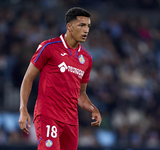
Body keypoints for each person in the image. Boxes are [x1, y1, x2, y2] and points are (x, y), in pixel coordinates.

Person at [18, 7, 102, 150]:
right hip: (47, 115)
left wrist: (93, 109)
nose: (86, 30)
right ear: (69, 26)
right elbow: (28, 79)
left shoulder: (87, 59)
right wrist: (23, 109)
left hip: (71, 121)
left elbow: (81, 94)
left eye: (88, 26)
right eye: (81, 25)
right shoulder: (49, 47)